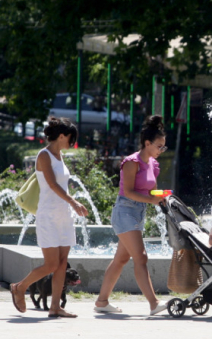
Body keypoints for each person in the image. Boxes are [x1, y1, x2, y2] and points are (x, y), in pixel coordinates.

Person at [10, 117, 88, 317]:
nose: (72, 142)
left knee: (62, 263)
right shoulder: (44, 155)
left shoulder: (60, 156)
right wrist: (74, 202)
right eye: (70, 138)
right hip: (48, 216)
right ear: (61, 136)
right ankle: (20, 287)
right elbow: (53, 185)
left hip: (63, 216)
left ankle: (55, 307)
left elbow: (60, 185)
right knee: (52, 264)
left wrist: (70, 206)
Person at [94, 115, 168, 316]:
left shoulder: (152, 164)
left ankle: (102, 301)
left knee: (120, 260)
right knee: (141, 257)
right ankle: (154, 304)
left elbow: (149, 190)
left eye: (163, 147)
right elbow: (128, 191)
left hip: (138, 212)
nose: (161, 150)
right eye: (159, 146)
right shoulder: (131, 162)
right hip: (125, 211)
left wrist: (160, 196)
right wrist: (151, 199)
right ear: (147, 143)